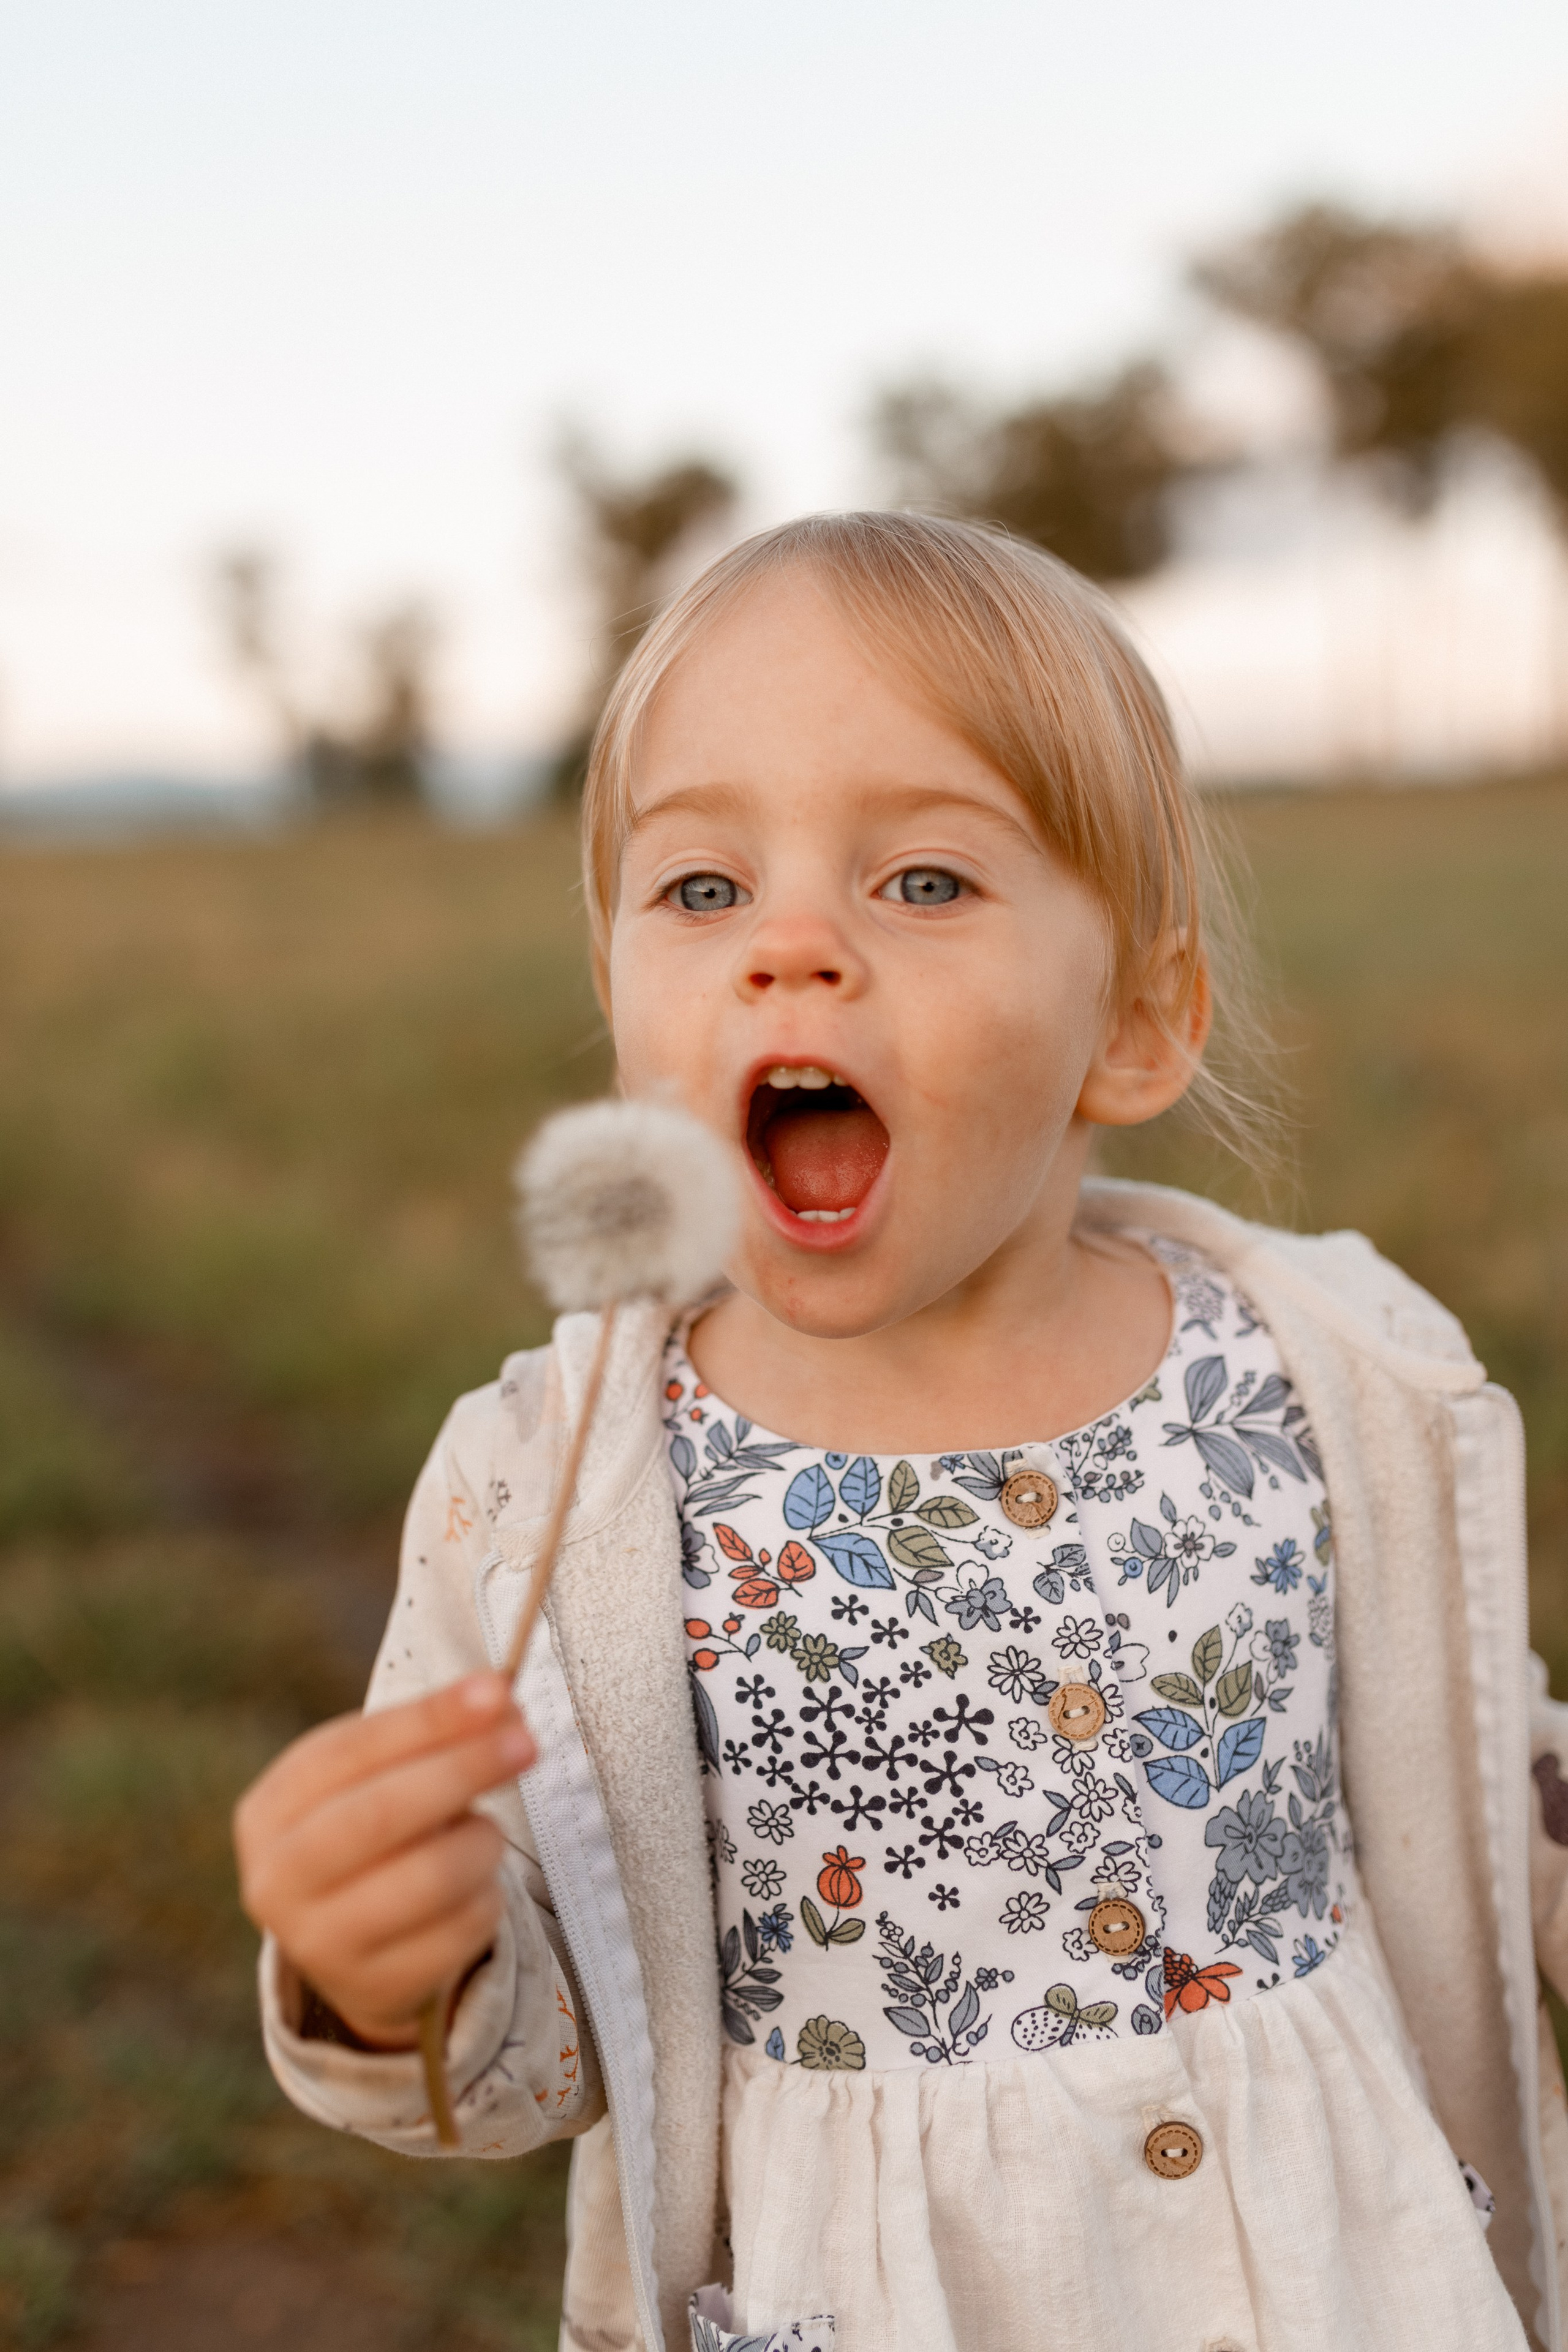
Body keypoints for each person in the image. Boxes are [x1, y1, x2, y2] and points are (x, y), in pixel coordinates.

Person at [234, 512, 1568, 2352]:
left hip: (1343, 2270)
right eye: (702, 890)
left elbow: (1477, 1775)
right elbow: (546, 2045)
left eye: (924, 883)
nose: (789, 948)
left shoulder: (1314, 1370)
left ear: (1138, 1022)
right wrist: (392, 1973)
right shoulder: (555, 1491)